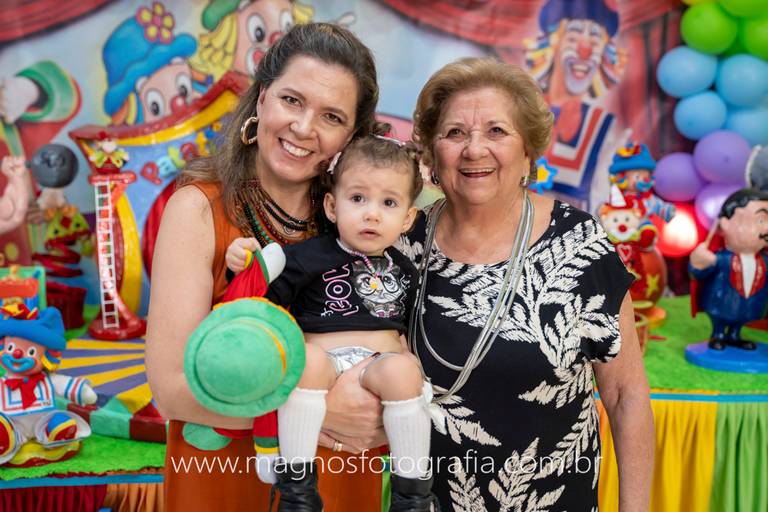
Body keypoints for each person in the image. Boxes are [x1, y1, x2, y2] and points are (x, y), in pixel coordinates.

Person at [146, 23, 387, 511]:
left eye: (332, 116)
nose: (304, 127)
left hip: (339, 476)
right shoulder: (199, 209)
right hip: (224, 478)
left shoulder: (369, 223)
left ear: (352, 137)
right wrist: (321, 412)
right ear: (261, 99)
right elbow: (171, 389)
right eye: (292, 100)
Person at [398, 57, 654, 510]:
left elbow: (624, 394)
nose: (474, 149)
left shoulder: (579, 243)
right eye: (455, 133)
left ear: (528, 153)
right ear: (433, 156)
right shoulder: (402, 243)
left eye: (496, 131)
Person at [226, 135, 438, 510]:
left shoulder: (406, 269)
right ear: (332, 206)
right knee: (305, 360)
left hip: (376, 367)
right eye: (357, 198)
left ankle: (412, 497)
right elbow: (261, 303)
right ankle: (298, 491)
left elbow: (408, 327)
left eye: (388, 203)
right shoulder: (307, 256)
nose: (372, 214)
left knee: (404, 371)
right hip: (323, 365)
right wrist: (242, 267)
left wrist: (407, 357)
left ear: (407, 218)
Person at [689, 188, 768, 351]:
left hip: (748, 305)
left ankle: (734, 335)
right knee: (720, 318)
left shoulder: (764, 260)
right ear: (726, 223)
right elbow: (698, 274)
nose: (766, 228)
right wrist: (697, 264)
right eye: (760, 220)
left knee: (743, 317)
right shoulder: (721, 259)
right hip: (720, 303)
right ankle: (718, 334)